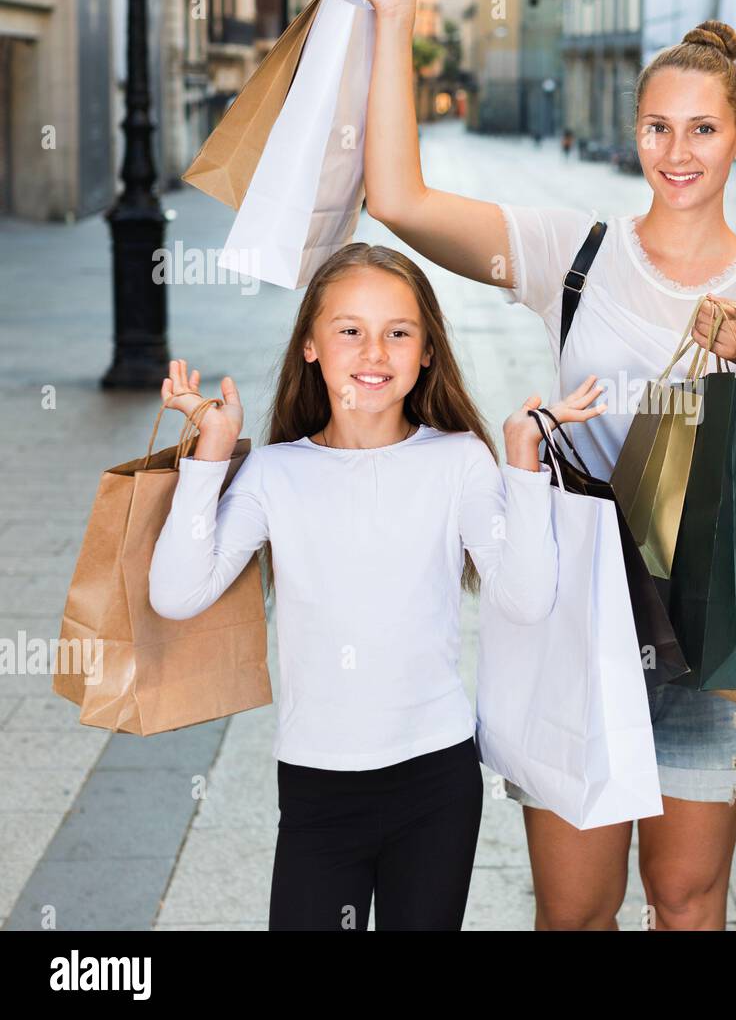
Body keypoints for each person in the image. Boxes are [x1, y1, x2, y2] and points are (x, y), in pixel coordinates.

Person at [342, 0, 736, 930]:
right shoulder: (574, 252)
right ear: (632, 129)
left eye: (700, 129)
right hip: (577, 611)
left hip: (713, 617)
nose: (675, 151)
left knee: (686, 902)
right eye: (656, 126)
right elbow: (400, 198)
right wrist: (397, 15)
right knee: (575, 908)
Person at [148, 241, 603, 930]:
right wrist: (211, 450)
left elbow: (528, 597)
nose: (374, 352)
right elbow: (175, 593)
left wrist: (522, 466)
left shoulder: (458, 460)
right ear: (310, 345)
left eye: (398, 332)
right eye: (349, 330)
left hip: (436, 777)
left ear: (426, 351)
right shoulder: (274, 473)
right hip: (316, 783)